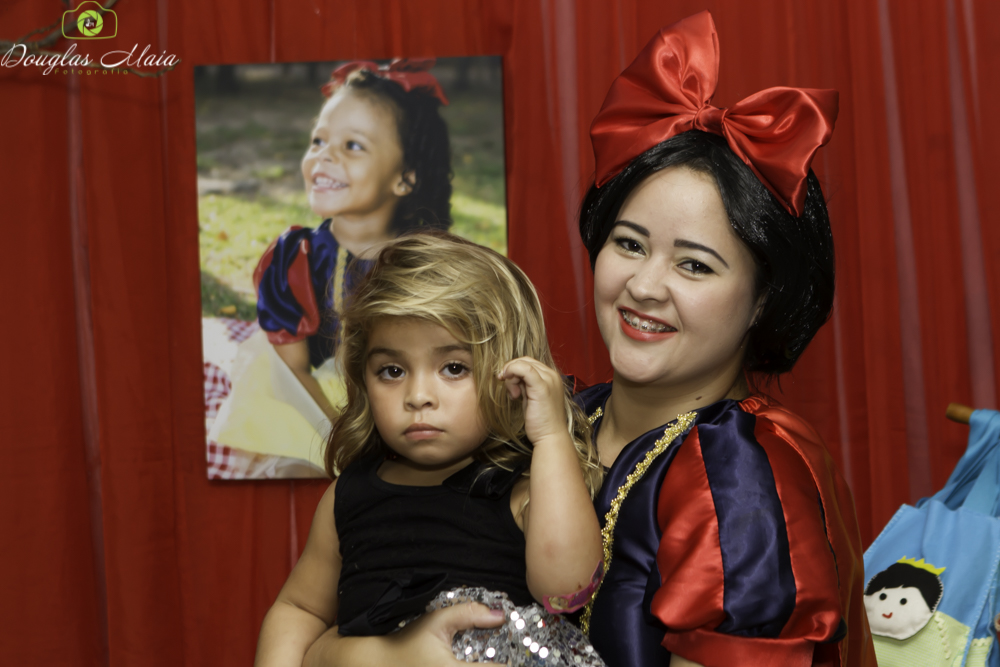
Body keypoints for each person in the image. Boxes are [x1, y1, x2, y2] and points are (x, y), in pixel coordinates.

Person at [302, 11, 876, 667]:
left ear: (763, 299)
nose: (646, 285)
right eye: (629, 244)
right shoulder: (551, 416)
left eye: (694, 264)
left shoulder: (740, 480)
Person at [255, 233, 606, 666]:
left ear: (511, 376)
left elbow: (568, 589)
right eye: (392, 370)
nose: (418, 395)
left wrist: (551, 437)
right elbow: (299, 609)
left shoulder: (522, 491)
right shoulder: (347, 498)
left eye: (454, 368)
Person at [208, 60, 454, 474]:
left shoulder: (427, 265)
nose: (323, 158)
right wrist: (339, 438)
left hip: (400, 394)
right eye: (319, 140)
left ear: (404, 179)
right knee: (293, 457)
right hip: (304, 394)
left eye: (352, 146)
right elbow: (291, 369)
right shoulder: (294, 259)